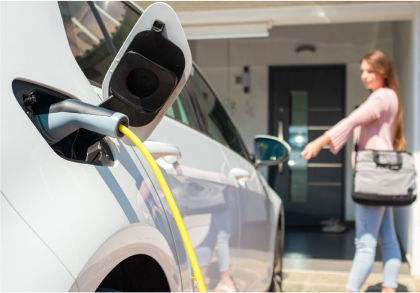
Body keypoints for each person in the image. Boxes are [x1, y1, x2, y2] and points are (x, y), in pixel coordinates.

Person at [301, 50, 405, 292]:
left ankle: (351, 290)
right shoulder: (390, 96)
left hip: (373, 177)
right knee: (388, 237)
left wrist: (320, 141)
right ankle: (389, 288)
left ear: (384, 72)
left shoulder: (381, 97)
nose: (364, 76)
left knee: (365, 243)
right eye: (362, 71)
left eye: (370, 71)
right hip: (383, 177)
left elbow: (352, 120)